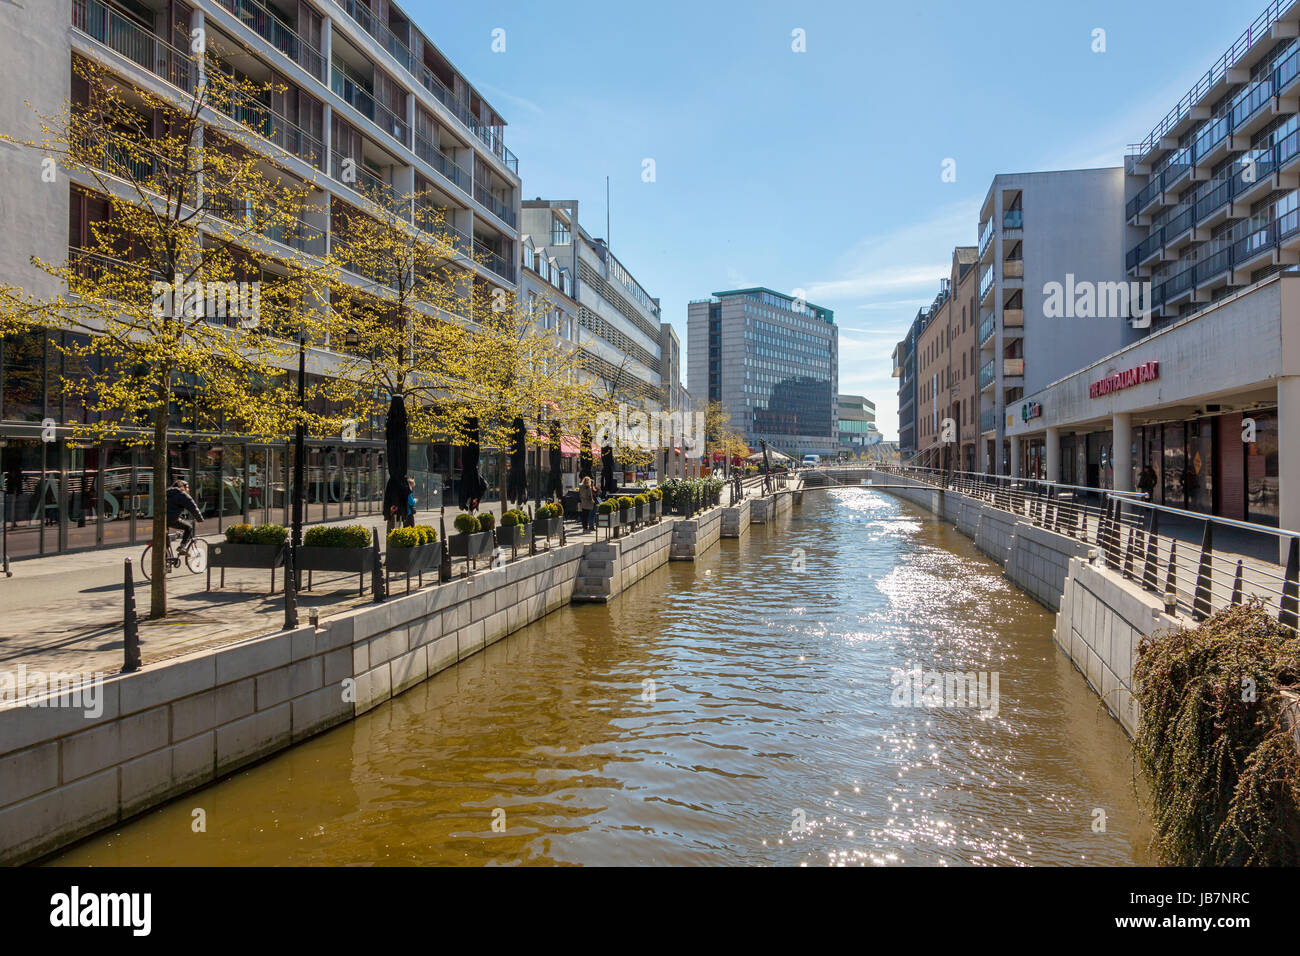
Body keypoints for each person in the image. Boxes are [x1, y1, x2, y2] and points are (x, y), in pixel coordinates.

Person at [166, 477, 203, 555]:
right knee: (189, 527)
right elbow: (193, 507)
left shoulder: (166, 492)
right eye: (187, 487)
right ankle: (182, 547)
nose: (188, 490)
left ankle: (166, 561)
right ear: (182, 487)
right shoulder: (182, 494)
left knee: (165, 543)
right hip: (172, 519)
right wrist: (199, 519)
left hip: (161, 519)